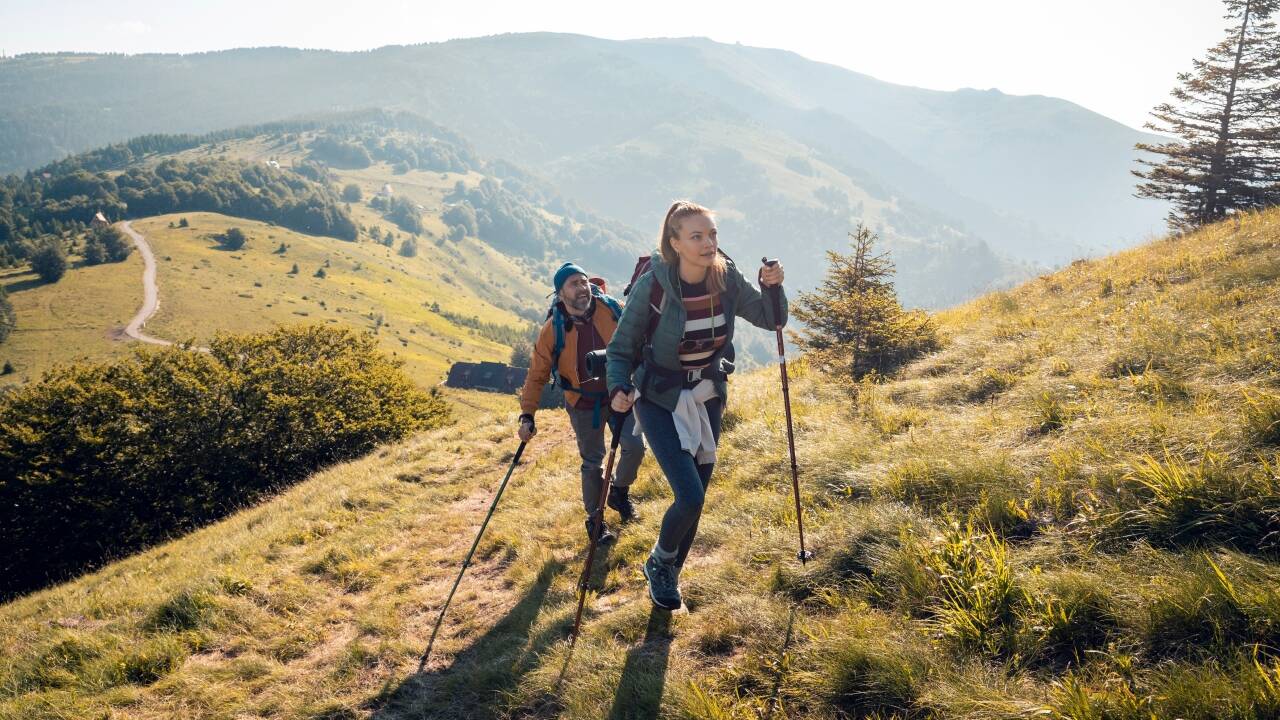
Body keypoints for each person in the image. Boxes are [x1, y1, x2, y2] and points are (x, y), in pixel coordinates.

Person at [606, 200, 786, 611]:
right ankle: (661, 564)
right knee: (689, 496)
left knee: (696, 499)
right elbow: (620, 349)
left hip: (706, 397)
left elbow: (768, 317)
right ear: (675, 243)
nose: (709, 244)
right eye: (697, 236)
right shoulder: (653, 286)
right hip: (658, 398)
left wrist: (773, 286)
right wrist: (618, 386)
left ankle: (666, 579)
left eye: (713, 235)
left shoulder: (726, 276)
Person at [518, 262, 646, 543]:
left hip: (619, 393)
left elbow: (638, 340)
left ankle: (619, 493)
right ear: (560, 293)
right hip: (583, 401)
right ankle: (595, 520)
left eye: (584, 281)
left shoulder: (612, 309)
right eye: (573, 284)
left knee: (635, 447)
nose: (582, 288)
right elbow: (537, 373)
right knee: (593, 462)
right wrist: (527, 414)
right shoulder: (554, 329)